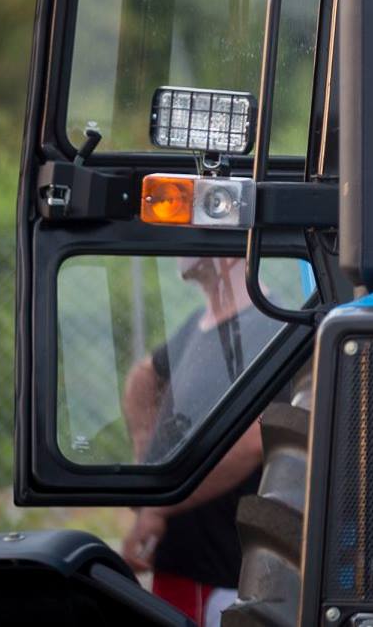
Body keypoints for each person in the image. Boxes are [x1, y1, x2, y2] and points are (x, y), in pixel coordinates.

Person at [119, 256, 280, 627]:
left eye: (194, 229)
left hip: (225, 580)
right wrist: (147, 464)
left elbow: (254, 440)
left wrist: (158, 505)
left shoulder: (270, 325)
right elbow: (142, 378)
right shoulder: (200, 323)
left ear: (232, 251)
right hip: (182, 569)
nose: (179, 249)